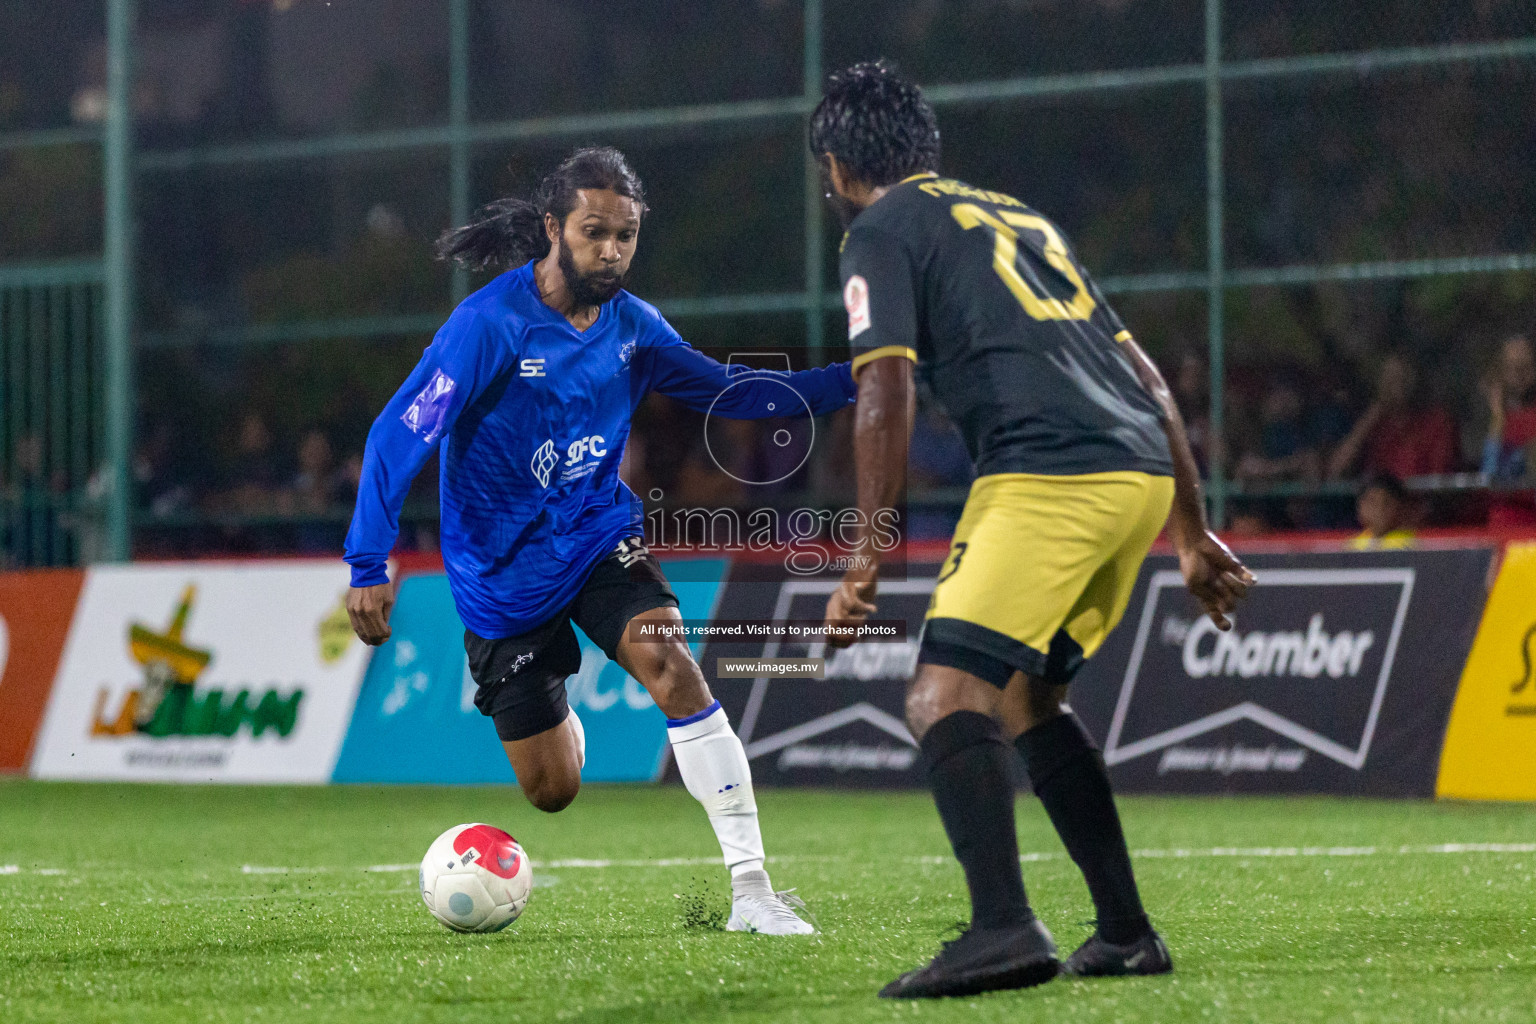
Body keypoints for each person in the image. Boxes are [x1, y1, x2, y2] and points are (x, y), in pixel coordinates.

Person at [811, 62, 1254, 998]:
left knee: (942, 698)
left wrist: (864, 557)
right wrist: (1190, 530)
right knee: (1023, 700)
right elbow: (1149, 381)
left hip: (1049, 471)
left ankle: (1003, 928)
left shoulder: (879, 231)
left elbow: (881, 386)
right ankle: (1127, 932)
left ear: (840, 168)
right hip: (1135, 472)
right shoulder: (1021, 219)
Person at [344, 147, 855, 935]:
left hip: (595, 536)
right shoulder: (489, 326)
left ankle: (752, 890)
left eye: (626, 235)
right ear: (554, 229)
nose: (611, 251)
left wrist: (859, 376)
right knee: (552, 790)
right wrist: (367, 559)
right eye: (594, 233)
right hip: (501, 577)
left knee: (670, 662)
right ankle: (558, 711)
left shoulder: (635, 329)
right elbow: (397, 435)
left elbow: (732, 392)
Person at [1326, 353, 1457, 481]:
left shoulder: (1438, 422)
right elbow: (1337, 471)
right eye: (1389, 378)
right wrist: (1373, 415)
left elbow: (1439, 481)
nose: (1395, 385)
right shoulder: (1375, 428)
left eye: (1401, 377)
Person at [1481, 334, 1536, 529]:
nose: (1520, 373)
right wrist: (1497, 417)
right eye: (1512, 366)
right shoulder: (1495, 419)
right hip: (1502, 523)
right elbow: (1489, 477)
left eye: (1526, 365)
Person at [1349, 473, 1415, 549]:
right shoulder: (1355, 544)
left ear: (1400, 507)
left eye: (1386, 503)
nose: (1379, 509)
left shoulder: (1406, 543)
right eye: (1372, 502)